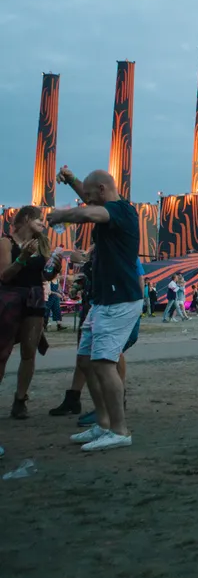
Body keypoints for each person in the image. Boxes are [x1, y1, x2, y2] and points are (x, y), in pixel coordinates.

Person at [48, 167, 141, 452]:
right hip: (103, 300)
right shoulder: (108, 207)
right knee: (87, 361)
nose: (85, 200)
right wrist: (72, 180)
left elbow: (90, 213)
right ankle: (103, 424)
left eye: (89, 195)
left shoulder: (120, 211)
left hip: (119, 299)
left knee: (103, 363)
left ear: (102, 190)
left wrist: (62, 215)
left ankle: (119, 430)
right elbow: (91, 205)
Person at [1, 207, 63, 420]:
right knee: (2, 353)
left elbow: (44, 276)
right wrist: (22, 258)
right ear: (27, 218)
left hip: (35, 299)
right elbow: (4, 276)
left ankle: (20, 400)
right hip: (9, 299)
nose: (43, 223)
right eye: (39, 219)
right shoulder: (6, 243)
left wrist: (54, 269)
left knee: (29, 353)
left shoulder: (42, 243)